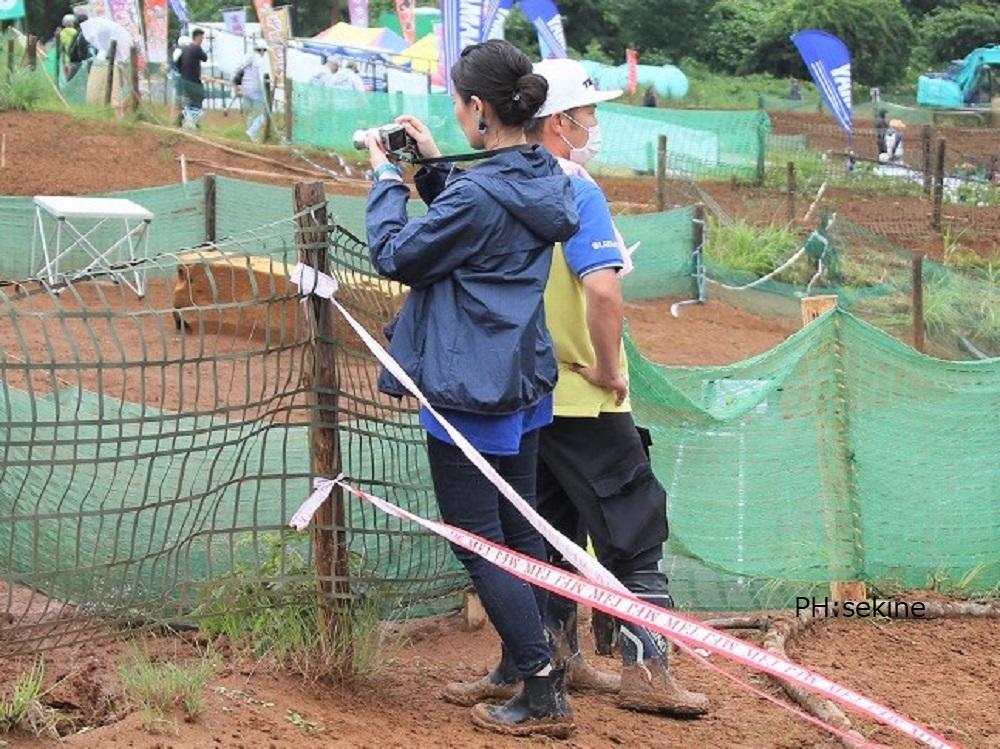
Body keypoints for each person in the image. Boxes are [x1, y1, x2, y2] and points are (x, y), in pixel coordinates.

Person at [443, 56, 710, 718]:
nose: (595, 123)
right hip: (585, 395)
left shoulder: (490, 184)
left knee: (543, 530)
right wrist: (609, 364)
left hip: (521, 392)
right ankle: (647, 671)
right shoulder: (575, 189)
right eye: (589, 113)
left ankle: (544, 658)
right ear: (557, 121)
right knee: (634, 528)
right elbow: (601, 286)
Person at [364, 39, 579, 738]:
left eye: (458, 105)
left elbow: (398, 254)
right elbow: (480, 220)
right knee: (517, 531)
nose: (454, 115)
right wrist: (430, 165)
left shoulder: (484, 190)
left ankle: (542, 686)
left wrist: (387, 182)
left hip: (469, 386)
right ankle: (533, 660)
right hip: (520, 376)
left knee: (478, 540)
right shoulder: (542, 172)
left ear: (480, 109)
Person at [234, 39, 270, 142]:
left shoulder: (247, 57)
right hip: (256, 90)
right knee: (264, 114)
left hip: (245, 89)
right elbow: (263, 76)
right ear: (262, 50)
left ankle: (250, 136)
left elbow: (238, 72)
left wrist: (238, 86)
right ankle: (251, 132)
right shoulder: (259, 60)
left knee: (250, 114)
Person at [176, 28, 208, 128]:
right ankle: (192, 121)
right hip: (193, 80)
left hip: (184, 79)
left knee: (192, 100)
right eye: (201, 38)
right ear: (197, 37)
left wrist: (183, 72)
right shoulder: (196, 48)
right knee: (199, 98)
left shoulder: (185, 49)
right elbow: (205, 58)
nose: (202, 40)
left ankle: (185, 117)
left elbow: (177, 64)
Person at [58, 14, 78, 80]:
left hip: (66, 58)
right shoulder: (75, 32)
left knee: (67, 79)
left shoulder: (62, 33)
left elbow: (61, 47)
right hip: (75, 58)